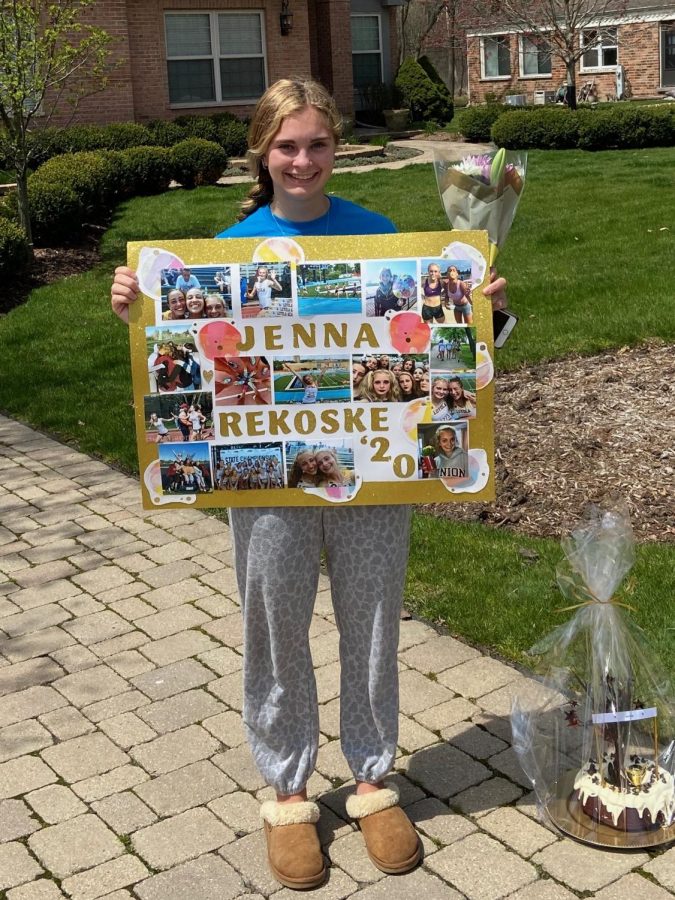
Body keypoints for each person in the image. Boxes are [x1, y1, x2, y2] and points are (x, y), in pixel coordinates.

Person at [111, 77, 507, 893]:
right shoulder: (228, 252)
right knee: (274, 625)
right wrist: (140, 313)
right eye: (285, 146)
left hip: (371, 471)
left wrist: (482, 308)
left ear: (336, 148)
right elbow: (193, 364)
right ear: (262, 151)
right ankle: (288, 790)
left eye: (317, 144)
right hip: (266, 480)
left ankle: (369, 778)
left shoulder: (385, 241)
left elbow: (439, 356)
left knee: (369, 624)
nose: (302, 160)